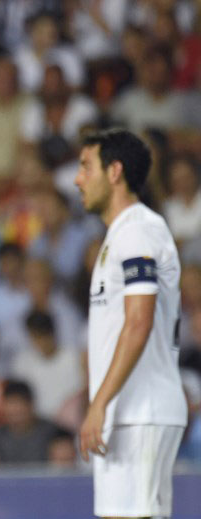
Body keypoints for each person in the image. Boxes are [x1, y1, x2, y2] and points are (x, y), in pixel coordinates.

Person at [75, 128, 186, 518]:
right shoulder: (120, 235)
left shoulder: (139, 230)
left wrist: (99, 403)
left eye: (86, 166)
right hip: (127, 413)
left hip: (142, 410)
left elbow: (139, 322)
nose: (77, 179)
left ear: (114, 171)